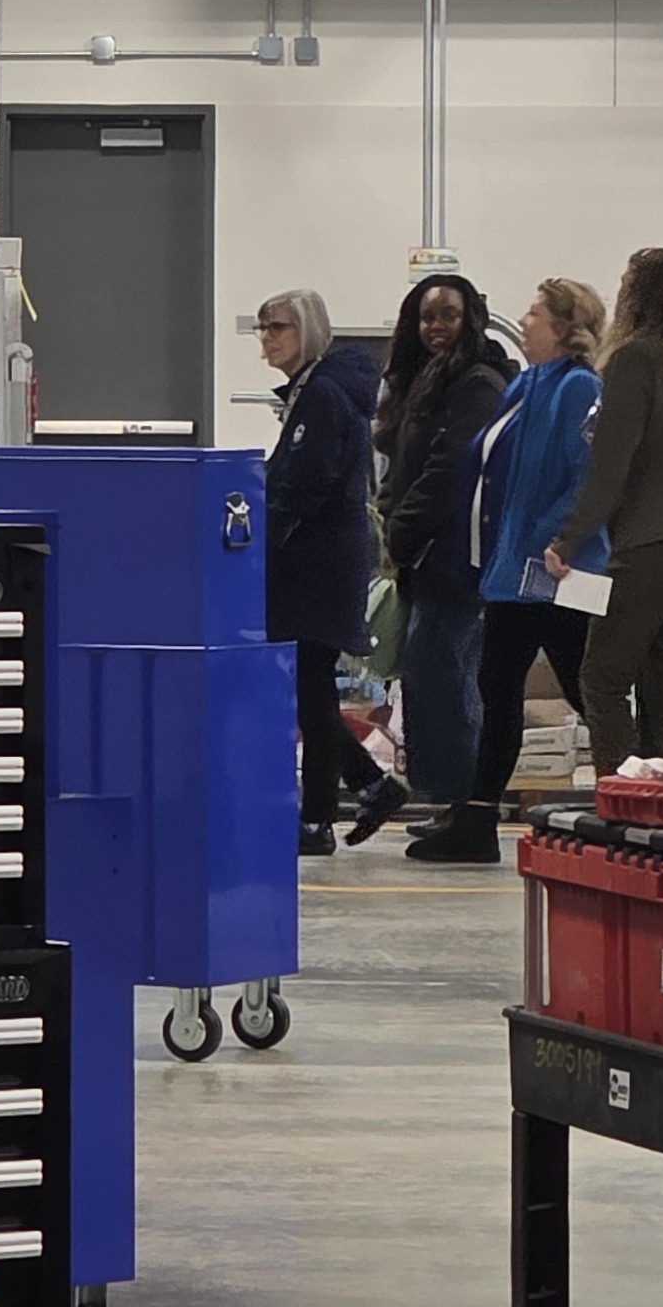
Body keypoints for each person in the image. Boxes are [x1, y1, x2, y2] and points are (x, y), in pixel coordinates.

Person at [409, 276, 610, 864]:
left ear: (565, 327)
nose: (523, 319)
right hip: (515, 567)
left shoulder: (577, 387)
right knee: (497, 687)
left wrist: (557, 537)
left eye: (535, 312)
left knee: (584, 683)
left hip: (563, 566)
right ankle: (476, 818)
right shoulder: (526, 384)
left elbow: (587, 473)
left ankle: (626, 788)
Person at [544, 244, 663, 776]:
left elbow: (611, 464)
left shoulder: (635, 359)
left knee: (603, 678)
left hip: (649, 538)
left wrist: (569, 539)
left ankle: (622, 800)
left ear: (636, 295)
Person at [364, 270, 509, 839]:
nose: (437, 327)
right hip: (423, 550)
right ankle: (451, 802)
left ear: (470, 316)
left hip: (455, 554)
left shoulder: (478, 381)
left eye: (449, 315)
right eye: (428, 316)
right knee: (430, 672)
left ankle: (466, 807)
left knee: (443, 671)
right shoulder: (418, 379)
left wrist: (401, 532)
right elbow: (403, 464)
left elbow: (450, 468)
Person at [257, 290, 381, 856]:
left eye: (278, 327)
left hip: (317, 562)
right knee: (306, 685)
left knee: (309, 684)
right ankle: (371, 783)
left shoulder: (324, 395)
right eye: (262, 328)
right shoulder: (313, 392)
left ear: (306, 330)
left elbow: (308, 480)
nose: (268, 338)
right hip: (314, 559)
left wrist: (271, 532)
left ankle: (319, 816)